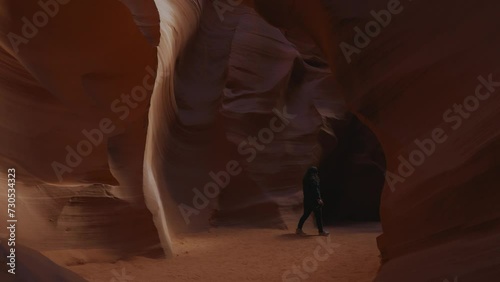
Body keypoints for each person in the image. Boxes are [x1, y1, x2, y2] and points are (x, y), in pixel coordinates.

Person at [296, 166, 329, 236]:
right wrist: (319, 199)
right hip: (314, 201)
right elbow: (315, 190)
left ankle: (298, 229)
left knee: (305, 215)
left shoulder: (305, 179)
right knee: (318, 216)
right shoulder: (313, 180)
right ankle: (321, 231)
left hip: (307, 201)